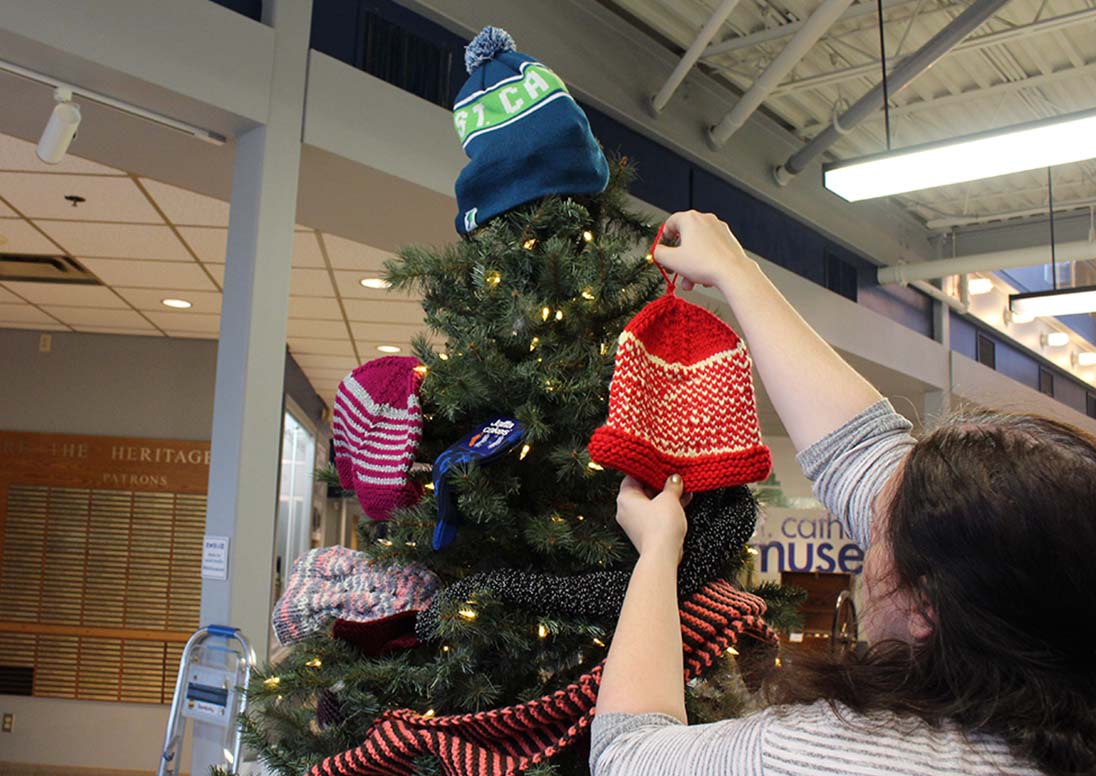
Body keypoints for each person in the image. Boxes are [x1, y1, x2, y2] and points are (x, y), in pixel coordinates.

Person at [591, 211, 1096, 776]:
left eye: (878, 525)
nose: (868, 510)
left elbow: (627, 754)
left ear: (926, 606)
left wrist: (659, 550)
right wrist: (735, 272)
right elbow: (861, 452)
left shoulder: (839, 757)